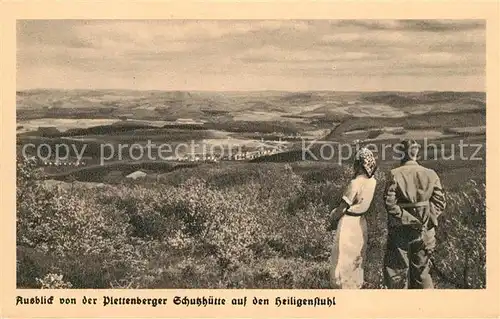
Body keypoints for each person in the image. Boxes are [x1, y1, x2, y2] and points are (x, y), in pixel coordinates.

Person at [383, 139, 447, 289]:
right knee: (423, 273)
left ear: (401, 153)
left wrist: (408, 219)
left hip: (400, 230)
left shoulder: (394, 174)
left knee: (397, 273)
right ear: (416, 152)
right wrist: (425, 222)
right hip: (425, 231)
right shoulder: (430, 174)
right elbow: (440, 202)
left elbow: (389, 204)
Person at [329, 147, 378, 289]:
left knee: (342, 256)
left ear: (359, 164)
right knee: (357, 255)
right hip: (361, 222)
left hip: (348, 223)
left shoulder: (355, 183)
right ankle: (355, 285)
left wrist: (332, 217)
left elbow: (343, 208)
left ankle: (341, 287)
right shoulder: (372, 182)